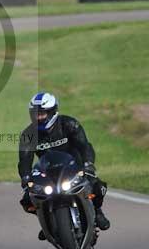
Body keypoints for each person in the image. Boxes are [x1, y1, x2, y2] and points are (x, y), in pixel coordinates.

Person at [18, 92, 110, 238]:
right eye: (35, 114)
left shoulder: (69, 124)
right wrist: (25, 177)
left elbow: (84, 146)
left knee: (98, 187)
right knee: (27, 200)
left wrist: (88, 164)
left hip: (75, 167)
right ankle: (47, 220)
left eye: (42, 114)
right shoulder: (28, 135)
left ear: (52, 111)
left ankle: (97, 211)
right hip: (48, 172)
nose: (38, 117)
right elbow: (24, 160)